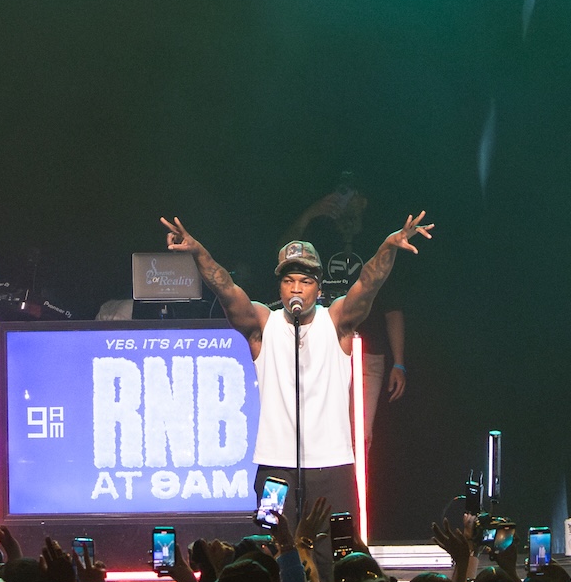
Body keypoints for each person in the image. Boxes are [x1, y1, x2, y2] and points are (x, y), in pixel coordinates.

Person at [160, 209, 432, 535]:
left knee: (335, 552)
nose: (296, 289)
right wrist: (197, 252)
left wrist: (387, 248)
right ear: (280, 289)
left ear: (319, 288)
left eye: (305, 282)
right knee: (273, 546)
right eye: (288, 281)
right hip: (275, 468)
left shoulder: (337, 322)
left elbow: (367, 285)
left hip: (333, 468)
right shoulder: (263, 325)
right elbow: (226, 289)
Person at [282, 175, 410, 458]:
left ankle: (353, 497)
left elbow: (392, 307)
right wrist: (311, 213)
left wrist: (399, 362)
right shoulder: (321, 239)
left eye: (350, 195)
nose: (343, 202)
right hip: (322, 348)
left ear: (363, 201)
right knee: (316, 430)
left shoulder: (374, 243)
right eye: (339, 194)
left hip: (367, 352)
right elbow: (284, 257)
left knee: (359, 436)